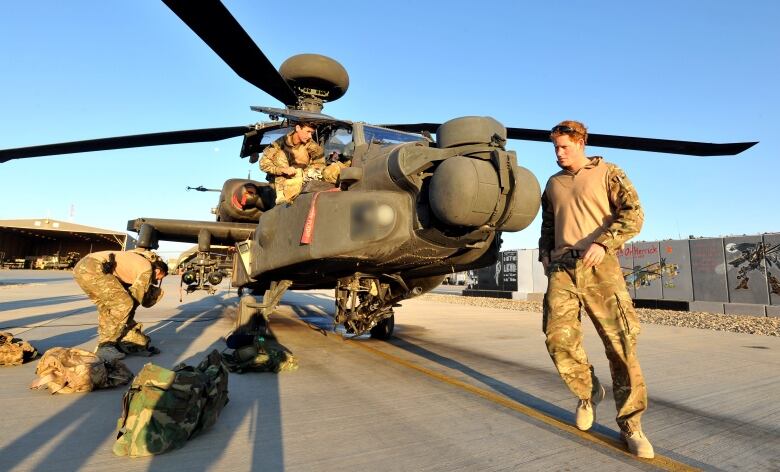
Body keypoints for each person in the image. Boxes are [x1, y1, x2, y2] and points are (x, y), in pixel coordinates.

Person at [538, 120, 653, 458]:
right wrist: (545, 253)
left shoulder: (607, 172)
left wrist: (604, 243)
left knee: (620, 344)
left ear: (581, 142)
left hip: (599, 266)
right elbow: (548, 221)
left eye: (565, 147)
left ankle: (631, 425)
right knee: (557, 338)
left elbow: (634, 214)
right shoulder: (553, 183)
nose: (559, 154)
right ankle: (587, 392)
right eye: (555, 148)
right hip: (562, 269)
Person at [73, 249, 168, 362]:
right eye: (160, 277)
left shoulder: (136, 262)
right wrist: (128, 327)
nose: (157, 280)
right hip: (94, 267)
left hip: (82, 267)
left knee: (106, 307)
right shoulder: (147, 269)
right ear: (158, 270)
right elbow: (134, 301)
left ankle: (110, 344)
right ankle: (106, 346)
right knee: (124, 304)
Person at [260, 122, 326, 204]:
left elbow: (320, 164)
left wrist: (304, 173)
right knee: (280, 155)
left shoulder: (312, 146)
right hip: (280, 181)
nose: (310, 136)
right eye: (308, 132)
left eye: (311, 133)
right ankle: (281, 196)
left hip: (301, 179)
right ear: (298, 128)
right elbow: (263, 164)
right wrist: (282, 170)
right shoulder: (279, 143)